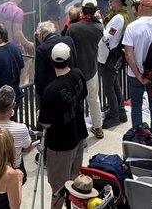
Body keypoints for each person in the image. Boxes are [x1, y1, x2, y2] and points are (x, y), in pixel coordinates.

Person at [39, 41, 89, 209]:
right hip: (78, 135)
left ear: (52, 61)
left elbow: (46, 123)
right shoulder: (78, 74)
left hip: (60, 146)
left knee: (58, 187)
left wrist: (40, 114)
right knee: (74, 177)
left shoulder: (51, 90)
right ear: (69, 58)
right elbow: (83, 94)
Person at [123, 0, 152, 130]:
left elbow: (128, 54)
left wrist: (138, 75)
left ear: (142, 6)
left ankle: (139, 137)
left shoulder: (132, 27)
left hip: (135, 75)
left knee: (136, 106)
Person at [64, 0, 105, 138]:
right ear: (95, 10)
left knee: (77, 104)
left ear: (82, 10)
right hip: (91, 69)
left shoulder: (72, 28)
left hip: (75, 71)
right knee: (94, 99)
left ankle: (81, 135)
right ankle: (98, 127)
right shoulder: (99, 28)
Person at [98, 0, 128, 128]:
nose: (110, 2)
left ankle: (114, 116)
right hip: (111, 55)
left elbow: (106, 38)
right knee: (114, 85)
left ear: (119, 2)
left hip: (108, 56)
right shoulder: (119, 16)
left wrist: (98, 21)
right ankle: (120, 112)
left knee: (109, 87)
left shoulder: (117, 18)